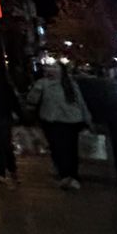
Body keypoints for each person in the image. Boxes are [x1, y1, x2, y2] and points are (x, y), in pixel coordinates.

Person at [26, 61, 93, 189]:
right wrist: (36, 90)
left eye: (55, 67)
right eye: (49, 67)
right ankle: (64, 175)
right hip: (52, 121)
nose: (52, 69)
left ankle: (72, 175)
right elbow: (32, 100)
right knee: (57, 148)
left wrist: (87, 119)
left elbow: (81, 103)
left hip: (71, 121)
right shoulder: (43, 83)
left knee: (70, 149)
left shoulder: (71, 84)